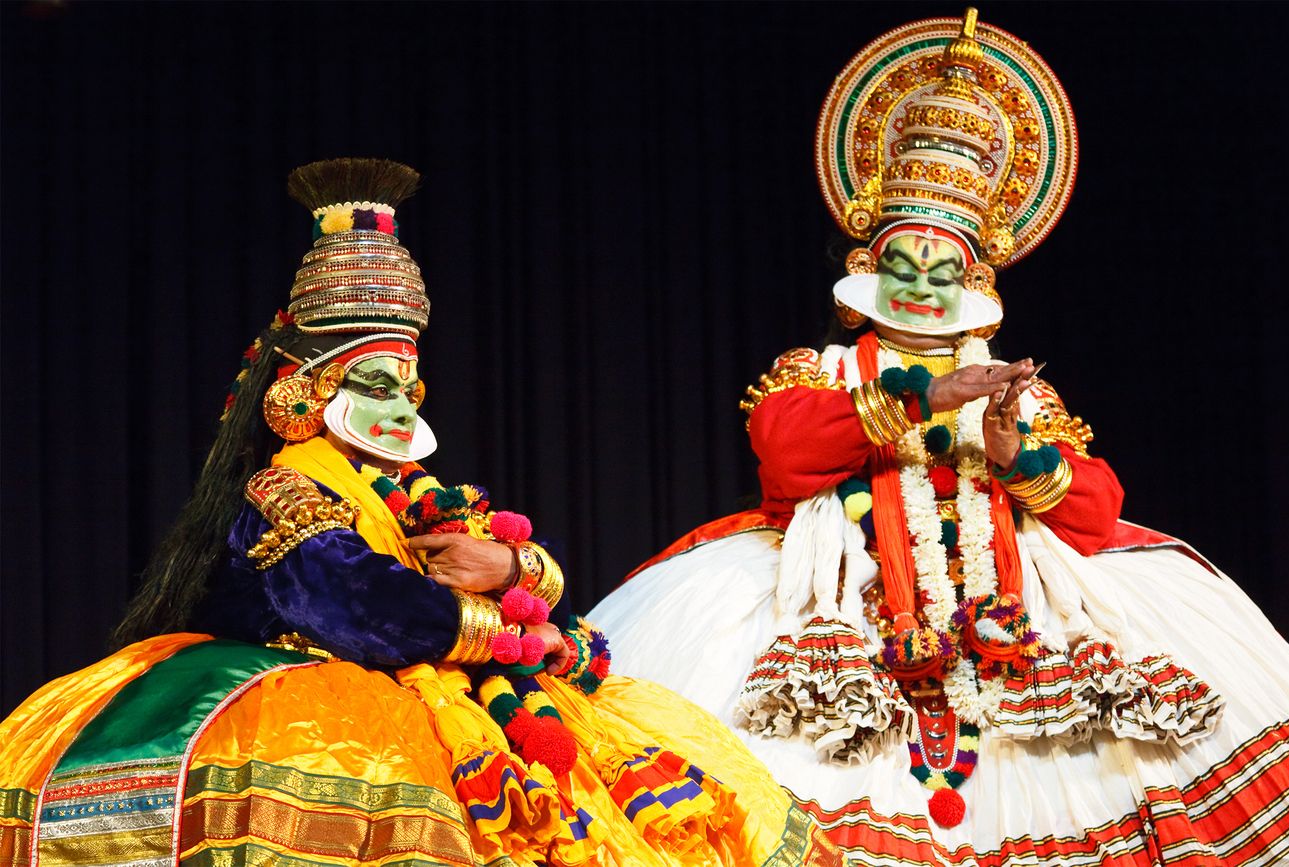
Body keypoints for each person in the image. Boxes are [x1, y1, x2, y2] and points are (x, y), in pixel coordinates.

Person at [589, 10, 1289, 865]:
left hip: (1018, 618)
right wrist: (926, 393)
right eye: (904, 266)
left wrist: (1016, 454)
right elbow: (784, 459)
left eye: (943, 270)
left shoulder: (1017, 389)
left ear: (975, 278)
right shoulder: (820, 369)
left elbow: (1098, 511)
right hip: (842, 607)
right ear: (867, 268)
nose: (923, 285)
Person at [0, 158, 841, 866]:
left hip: (449, 686)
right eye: (375, 385)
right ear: (312, 391)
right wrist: (510, 631)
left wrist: (513, 569)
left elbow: (529, 574)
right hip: (320, 698)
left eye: (408, 387)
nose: (401, 406)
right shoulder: (285, 489)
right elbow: (358, 604)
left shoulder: (420, 495)